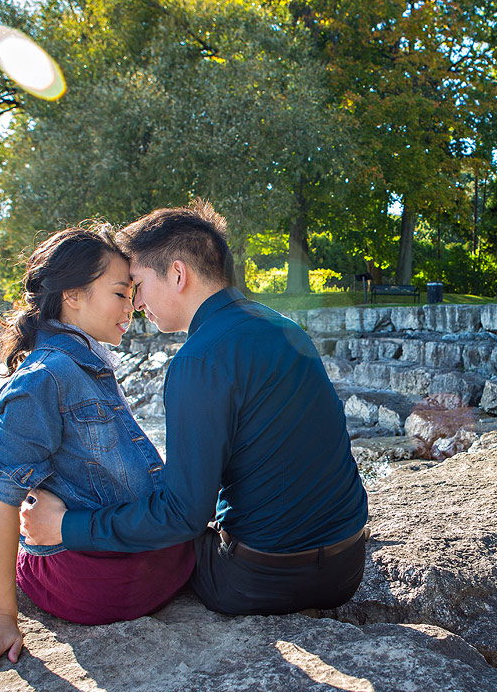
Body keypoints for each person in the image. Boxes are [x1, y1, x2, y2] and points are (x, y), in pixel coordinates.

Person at [20, 202, 369, 615]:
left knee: (138, 553)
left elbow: (183, 517)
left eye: (137, 283)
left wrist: (65, 526)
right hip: (347, 567)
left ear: (178, 274)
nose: (135, 303)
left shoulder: (197, 359)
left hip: (259, 582)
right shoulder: (283, 327)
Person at [0, 227, 194, 682]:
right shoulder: (43, 377)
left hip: (131, 569)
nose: (133, 306)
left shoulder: (87, 362)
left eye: (134, 292)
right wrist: (2, 617)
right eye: (122, 292)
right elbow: (1, 497)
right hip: (102, 582)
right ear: (73, 295)